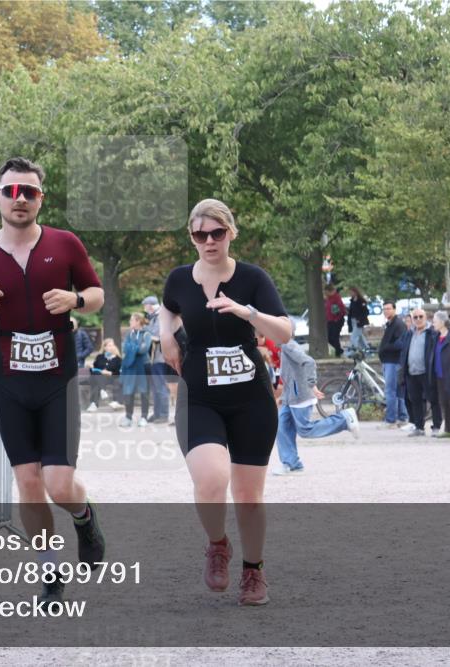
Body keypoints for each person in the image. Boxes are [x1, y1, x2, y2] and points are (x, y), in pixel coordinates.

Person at [0, 157, 106, 608]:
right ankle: (49, 570)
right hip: (10, 380)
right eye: (11, 191)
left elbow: (97, 297)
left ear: (42, 197)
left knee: (59, 483)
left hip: (56, 378)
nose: (19, 199)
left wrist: (75, 298)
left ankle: (83, 518)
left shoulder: (65, 244)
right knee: (27, 481)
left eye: (29, 192)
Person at [159, 198, 292, 606]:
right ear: (192, 238)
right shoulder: (180, 279)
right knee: (212, 478)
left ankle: (254, 571)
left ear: (231, 233)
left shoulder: (253, 278)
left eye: (217, 233)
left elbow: (284, 331)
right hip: (200, 397)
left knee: (249, 496)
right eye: (201, 234)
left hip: (251, 398)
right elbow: (168, 308)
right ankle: (218, 544)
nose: (210, 241)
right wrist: (166, 335)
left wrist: (247, 312)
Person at [273, 336, 360, 475]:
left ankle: (344, 419)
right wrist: (283, 396)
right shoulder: (283, 347)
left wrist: (312, 384)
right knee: (282, 427)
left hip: (300, 396)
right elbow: (290, 374)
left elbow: (309, 362)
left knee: (305, 430)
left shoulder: (289, 346)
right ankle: (291, 463)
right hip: (290, 398)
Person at [398, 308, 441, 437]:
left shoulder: (432, 333)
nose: (418, 319)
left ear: (426, 317)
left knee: (433, 399)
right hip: (411, 372)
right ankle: (419, 427)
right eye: (415, 317)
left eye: (420, 316)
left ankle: (437, 426)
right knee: (415, 400)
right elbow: (404, 352)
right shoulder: (408, 333)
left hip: (427, 372)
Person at [378, 301, 410, 428]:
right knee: (397, 391)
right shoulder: (390, 324)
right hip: (389, 361)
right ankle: (402, 417)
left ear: (394, 310)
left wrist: (386, 347)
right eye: (384, 309)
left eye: (388, 309)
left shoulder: (398, 324)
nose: (386, 311)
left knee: (390, 391)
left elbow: (402, 343)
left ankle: (391, 420)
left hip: (393, 362)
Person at [120, 312, 152, 427]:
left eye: (132, 320)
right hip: (131, 367)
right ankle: (128, 417)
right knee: (129, 391)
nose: (130, 322)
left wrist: (132, 347)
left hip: (144, 366)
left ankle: (144, 417)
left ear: (138, 321)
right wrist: (134, 347)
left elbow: (144, 349)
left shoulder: (146, 334)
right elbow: (124, 347)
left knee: (144, 392)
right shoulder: (129, 334)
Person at [143, 296, 171, 423]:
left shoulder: (160, 317)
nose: (144, 308)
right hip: (154, 358)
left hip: (160, 357)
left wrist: (145, 330)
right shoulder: (153, 318)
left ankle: (164, 414)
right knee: (155, 388)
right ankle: (157, 413)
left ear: (151, 305)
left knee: (161, 387)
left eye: (146, 305)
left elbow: (157, 336)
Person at [87, 337, 123, 411]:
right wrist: (96, 369)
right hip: (99, 377)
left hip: (111, 378)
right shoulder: (100, 357)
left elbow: (119, 372)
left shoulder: (118, 359)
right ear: (105, 347)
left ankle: (95, 402)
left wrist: (110, 373)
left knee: (96, 379)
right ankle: (102, 392)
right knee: (96, 376)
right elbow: (93, 369)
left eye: (112, 345)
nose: (111, 347)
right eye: (109, 345)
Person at [324, 284, 346, 357]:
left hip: (336, 320)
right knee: (329, 337)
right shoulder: (329, 299)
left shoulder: (336, 298)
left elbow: (341, 310)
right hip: (330, 320)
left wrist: (337, 319)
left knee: (334, 337)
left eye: (326, 292)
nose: (326, 294)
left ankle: (338, 352)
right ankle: (339, 350)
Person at [347, 287, 370, 354]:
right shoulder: (352, 301)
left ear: (355, 292)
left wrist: (360, 319)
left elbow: (365, 312)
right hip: (353, 320)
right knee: (360, 337)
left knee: (354, 337)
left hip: (359, 321)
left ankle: (353, 351)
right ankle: (366, 349)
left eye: (351, 292)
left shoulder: (361, 301)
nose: (350, 294)